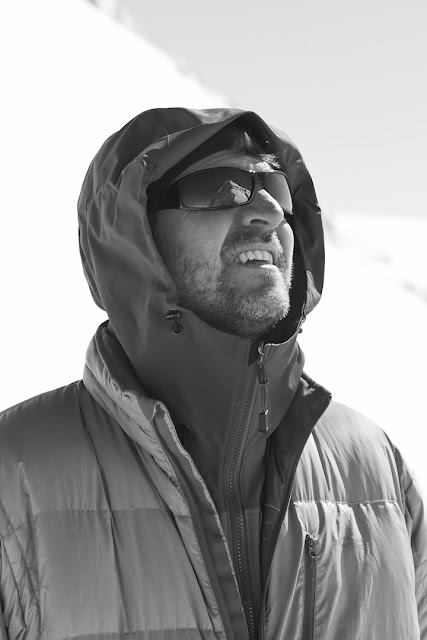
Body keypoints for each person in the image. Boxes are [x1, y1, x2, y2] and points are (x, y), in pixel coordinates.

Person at [0, 107, 425, 640]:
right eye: (222, 189)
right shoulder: (13, 474)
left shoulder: (374, 467)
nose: (269, 211)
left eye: (276, 188)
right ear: (137, 243)